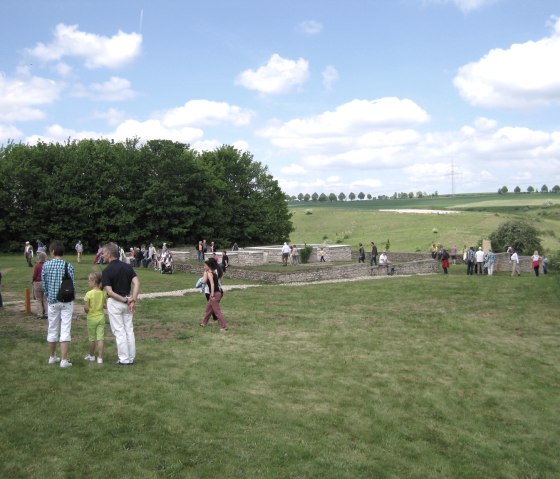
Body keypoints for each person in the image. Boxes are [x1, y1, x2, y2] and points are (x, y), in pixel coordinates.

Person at [101, 242, 140, 365]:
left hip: (116, 302)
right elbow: (137, 283)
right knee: (129, 329)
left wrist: (126, 300)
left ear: (109, 254)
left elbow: (110, 292)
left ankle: (124, 359)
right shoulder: (127, 267)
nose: (103, 256)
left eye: (103, 253)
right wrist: (132, 299)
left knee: (119, 331)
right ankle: (131, 357)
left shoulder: (106, 271)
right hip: (127, 301)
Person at [42, 240, 75, 368]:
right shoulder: (68, 266)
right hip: (66, 301)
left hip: (52, 302)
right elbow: (72, 285)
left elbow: (44, 285)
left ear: (53, 251)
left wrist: (49, 294)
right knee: (65, 329)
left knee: (52, 328)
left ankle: (52, 357)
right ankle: (64, 360)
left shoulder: (46, 266)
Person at [83, 271, 107, 364]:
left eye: (89, 281)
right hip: (101, 317)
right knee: (100, 338)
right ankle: (100, 358)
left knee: (92, 338)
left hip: (91, 318)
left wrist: (86, 310)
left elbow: (86, 308)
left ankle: (91, 356)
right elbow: (105, 305)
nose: (89, 283)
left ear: (93, 281)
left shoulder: (89, 294)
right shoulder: (103, 293)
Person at [199, 258, 228, 331]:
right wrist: (205, 272)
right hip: (217, 293)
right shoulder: (210, 273)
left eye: (205, 266)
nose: (204, 267)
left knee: (217, 311)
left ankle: (224, 327)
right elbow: (204, 281)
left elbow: (212, 284)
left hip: (215, 294)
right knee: (208, 309)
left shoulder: (210, 274)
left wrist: (211, 295)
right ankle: (204, 323)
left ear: (209, 266)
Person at [32, 251, 48, 319]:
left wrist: (32, 281)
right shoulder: (47, 265)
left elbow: (34, 275)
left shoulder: (37, 265)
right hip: (46, 283)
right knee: (45, 299)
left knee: (38, 299)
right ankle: (47, 313)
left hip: (38, 283)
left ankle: (40, 314)